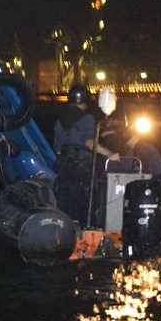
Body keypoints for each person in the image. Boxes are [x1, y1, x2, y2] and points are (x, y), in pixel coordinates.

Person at [52, 85, 120, 222]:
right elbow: (89, 142)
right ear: (86, 101)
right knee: (88, 206)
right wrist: (109, 154)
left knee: (66, 208)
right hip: (81, 169)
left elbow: (58, 149)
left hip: (63, 168)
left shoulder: (59, 120)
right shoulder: (88, 118)